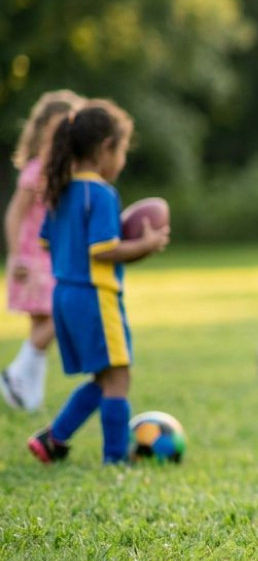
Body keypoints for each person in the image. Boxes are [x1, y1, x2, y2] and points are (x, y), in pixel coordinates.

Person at [26, 99, 169, 464]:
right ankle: (115, 458)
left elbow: (47, 242)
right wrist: (146, 245)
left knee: (103, 378)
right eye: (122, 151)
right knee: (119, 377)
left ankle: (53, 440)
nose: (121, 161)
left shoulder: (61, 190)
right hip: (95, 298)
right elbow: (104, 250)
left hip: (64, 296)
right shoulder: (101, 193)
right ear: (107, 147)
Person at [3, 90, 81, 411]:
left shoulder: (69, 170)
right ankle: (16, 373)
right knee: (61, 315)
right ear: (44, 130)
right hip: (35, 257)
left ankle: (29, 396)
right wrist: (15, 256)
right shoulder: (38, 170)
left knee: (41, 329)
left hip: (54, 255)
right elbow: (15, 214)